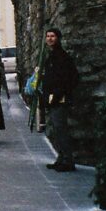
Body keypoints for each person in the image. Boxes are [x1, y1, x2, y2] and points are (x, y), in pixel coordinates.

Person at [42, 27, 79, 171]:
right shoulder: (52, 56)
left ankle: (68, 161)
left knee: (61, 129)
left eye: (53, 36)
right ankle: (61, 158)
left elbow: (71, 78)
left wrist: (60, 93)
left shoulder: (62, 57)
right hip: (52, 99)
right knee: (57, 130)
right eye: (48, 36)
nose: (50, 38)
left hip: (59, 99)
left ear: (58, 38)